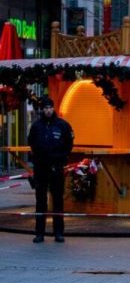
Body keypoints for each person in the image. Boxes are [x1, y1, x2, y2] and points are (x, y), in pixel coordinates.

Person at [27, 96, 74, 243]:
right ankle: (39, 233)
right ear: (42, 109)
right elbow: (31, 143)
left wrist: (61, 159)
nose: (48, 110)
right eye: (45, 108)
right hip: (41, 168)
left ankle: (58, 232)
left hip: (56, 168)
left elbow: (69, 144)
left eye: (50, 108)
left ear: (53, 109)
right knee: (40, 201)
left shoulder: (62, 125)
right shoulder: (36, 126)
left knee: (58, 201)